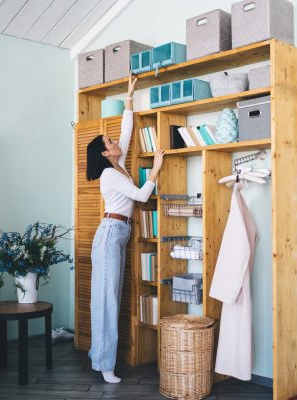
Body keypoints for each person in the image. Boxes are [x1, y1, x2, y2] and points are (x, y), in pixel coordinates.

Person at [86, 74, 165, 383]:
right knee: (107, 299)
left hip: (117, 234)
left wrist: (130, 95)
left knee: (110, 297)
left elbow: (127, 129)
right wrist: (156, 169)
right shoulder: (110, 175)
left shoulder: (118, 166)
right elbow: (142, 196)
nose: (116, 141)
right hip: (110, 235)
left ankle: (100, 356)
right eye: (110, 142)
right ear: (105, 153)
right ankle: (105, 365)